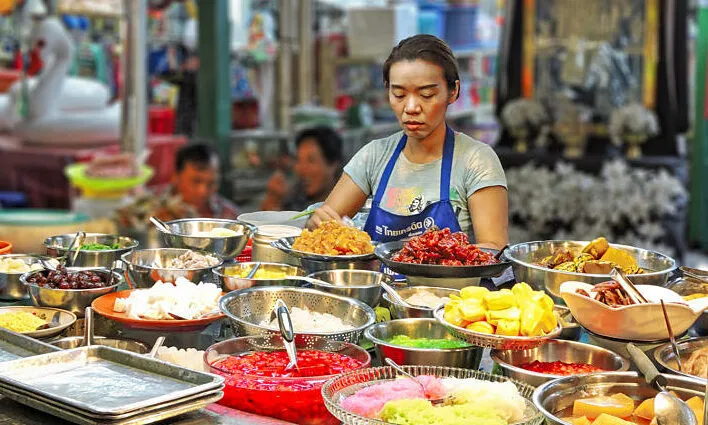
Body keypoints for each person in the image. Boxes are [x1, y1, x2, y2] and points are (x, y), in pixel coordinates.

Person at [308, 34, 508, 249]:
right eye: (399, 94)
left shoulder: (476, 161)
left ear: (453, 91)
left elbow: (494, 248)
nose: (411, 107)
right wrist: (317, 225)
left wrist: (434, 261)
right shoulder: (374, 156)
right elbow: (324, 226)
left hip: (451, 282)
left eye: (427, 94)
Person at [261, 126, 343, 212]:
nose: (301, 170)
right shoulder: (294, 198)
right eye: (298, 160)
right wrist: (274, 200)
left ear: (333, 164)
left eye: (311, 161)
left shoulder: (351, 207)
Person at [161, 143, 239, 219]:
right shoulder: (153, 208)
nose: (203, 191)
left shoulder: (229, 215)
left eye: (212, 183)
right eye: (196, 181)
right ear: (176, 177)